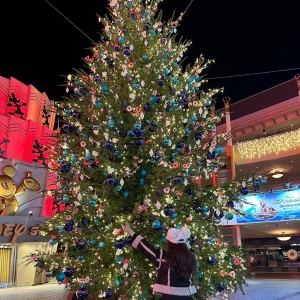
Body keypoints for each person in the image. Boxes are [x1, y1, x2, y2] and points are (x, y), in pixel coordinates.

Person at [123, 222, 197, 300]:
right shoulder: (192, 257)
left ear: (170, 243)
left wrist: (131, 232)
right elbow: (188, 249)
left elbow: (146, 248)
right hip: (186, 297)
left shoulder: (163, 257)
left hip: (168, 297)